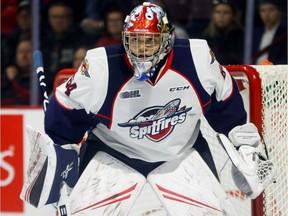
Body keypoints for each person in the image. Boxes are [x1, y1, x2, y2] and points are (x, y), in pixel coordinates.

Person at [21, 2, 276, 211]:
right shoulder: (101, 68)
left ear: (166, 41)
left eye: (150, 41)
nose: (141, 50)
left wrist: (245, 143)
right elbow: (64, 109)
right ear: (124, 39)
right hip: (113, 154)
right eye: (134, 40)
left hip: (181, 154)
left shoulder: (197, 60)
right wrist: (62, 148)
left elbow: (227, 103)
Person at [202, 0, 244, 65]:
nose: (221, 16)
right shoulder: (206, 37)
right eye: (218, 12)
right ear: (212, 15)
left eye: (226, 12)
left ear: (234, 16)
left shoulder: (242, 36)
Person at [252, 0, 287, 64]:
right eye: (263, 11)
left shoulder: (284, 33)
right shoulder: (255, 33)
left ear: (279, 11)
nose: (266, 15)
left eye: (271, 10)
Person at [1, 39, 33, 106]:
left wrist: (14, 81)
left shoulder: (40, 79)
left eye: (28, 51)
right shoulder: (7, 77)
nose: (24, 55)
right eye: (20, 52)